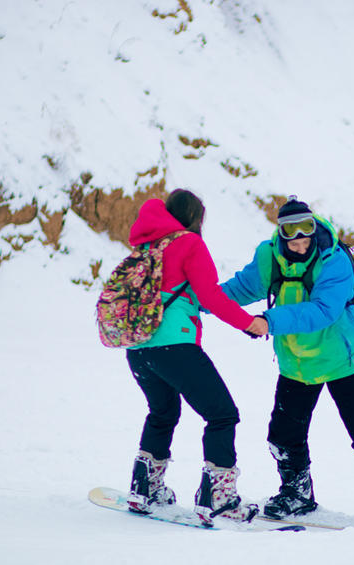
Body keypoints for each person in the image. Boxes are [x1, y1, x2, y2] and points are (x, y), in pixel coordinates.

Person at [220, 196, 354, 530]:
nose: (300, 242)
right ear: (281, 235)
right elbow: (241, 288)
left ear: (314, 228)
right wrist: (195, 299)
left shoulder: (333, 259)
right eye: (291, 236)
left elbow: (324, 311)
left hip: (344, 361)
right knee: (283, 436)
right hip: (297, 363)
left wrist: (268, 321)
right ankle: (297, 493)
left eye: (305, 234)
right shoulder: (269, 256)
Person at [123, 189, 267, 523]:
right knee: (222, 414)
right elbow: (210, 297)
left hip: (138, 349)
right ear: (194, 218)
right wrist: (249, 323)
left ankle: (145, 490)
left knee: (162, 412)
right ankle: (219, 500)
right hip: (175, 347)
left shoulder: (145, 246)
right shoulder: (189, 243)